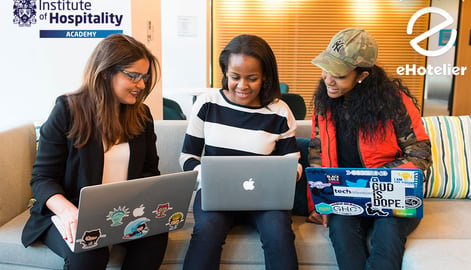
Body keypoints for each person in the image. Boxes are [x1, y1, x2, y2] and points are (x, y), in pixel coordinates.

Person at [21, 34, 168, 270]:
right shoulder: (67, 110)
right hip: (69, 213)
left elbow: (149, 172)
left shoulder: (142, 116)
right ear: (105, 72)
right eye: (133, 76)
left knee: (155, 238)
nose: (141, 85)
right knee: (91, 249)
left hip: (122, 213)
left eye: (145, 77)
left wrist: (152, 207)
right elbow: (42, 179)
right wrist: (69, 212)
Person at [306, 28, 432, 270]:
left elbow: (420, 153)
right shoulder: (324, 103)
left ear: (362, 75)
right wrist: (319, 203)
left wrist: (375, 180)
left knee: (387, 235)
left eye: (339, 75)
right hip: (344, 197)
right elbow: (317, 152)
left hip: (393, 194)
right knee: (341, 232)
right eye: (326, 69)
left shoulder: (394, 103)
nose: (328, 80)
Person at [179, 34, 301, 270]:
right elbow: (187, 157)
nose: (242, 86)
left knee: (279, 232)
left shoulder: (279, 111)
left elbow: (292, 161)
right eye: (235, 77)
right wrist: (207, 177)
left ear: (265, 76)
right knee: (207, 230)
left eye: (252, 78)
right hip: (216, 196)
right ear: (225, 72)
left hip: (266, 200)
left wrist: (290, 174)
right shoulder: (208, 103)